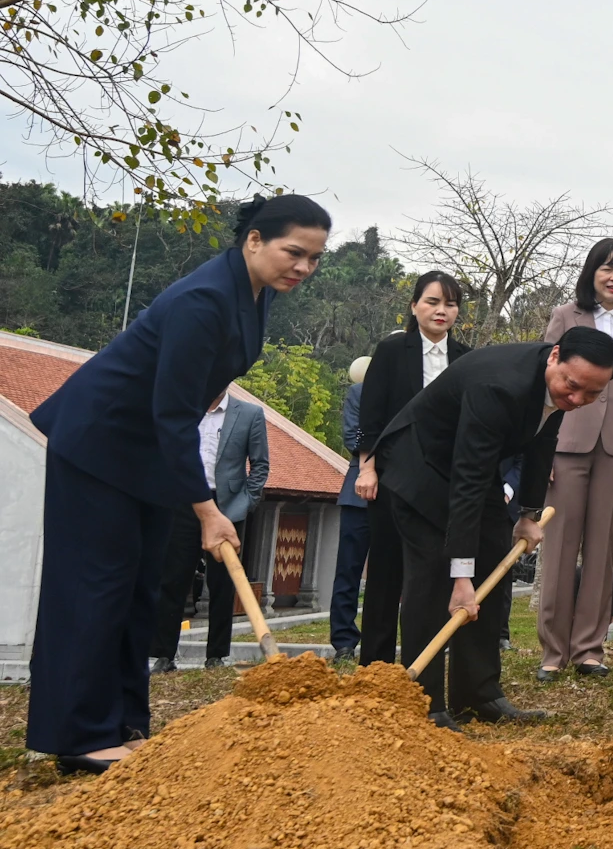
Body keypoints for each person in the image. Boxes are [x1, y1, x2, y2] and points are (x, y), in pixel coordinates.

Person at [28, 193, 330, 773]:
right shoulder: (204, 299)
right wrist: (207, 508)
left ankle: (122, 723)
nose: (304, 268)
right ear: (254, 240)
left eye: (314, 258)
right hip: (101, 442)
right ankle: (80, 736)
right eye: (295, 252)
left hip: (143, 453)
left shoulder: (256, 293)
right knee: (97, 585)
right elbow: (173, 413)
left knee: (139, 586)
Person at [377, 327, 613, 728]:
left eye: (592, 395)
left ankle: (479, 695)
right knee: (435, 578)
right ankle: (426, 703)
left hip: (474, 467)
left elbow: (543, 442)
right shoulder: (498, 385)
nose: (577, 400)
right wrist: (461, 576)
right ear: (555, 356)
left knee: (494, 566)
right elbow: (467, 481)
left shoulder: (561, 386)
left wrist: (528, 512)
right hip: (420, 465)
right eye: (572, 386)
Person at [537, 239, 613, 680]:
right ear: (592, 273)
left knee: (602, 545)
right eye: (608, 268)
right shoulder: (565, 316)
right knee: (560, 544)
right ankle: (553, 651)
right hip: (566, 440)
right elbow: (544, 381)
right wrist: (539, 448)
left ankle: (589, 647)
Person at [353, 272, 469, 666]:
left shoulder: (466, 357)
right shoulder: (391, 351)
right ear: (414, 305)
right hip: (391, 477)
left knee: (432, 574)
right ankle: (375, 665)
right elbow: (370, 415)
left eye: (450, 304)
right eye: (433, 302)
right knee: (385, 571)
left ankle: (424, 662)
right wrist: (366, 469)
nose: (441, 311)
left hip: (443, 481)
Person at [148, 392, 270, 671]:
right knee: (173, 578)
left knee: (223, 584)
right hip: (184, 503)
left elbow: (260, 465)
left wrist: (246, 503)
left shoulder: (250, 414)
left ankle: (216, 655)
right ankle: (164, 654)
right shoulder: (184, 409)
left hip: (228, 507)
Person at [328, 355, 373, 664]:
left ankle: (376, 641)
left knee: (389, 576)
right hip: (358, 494)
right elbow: (353, 438)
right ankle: (343, 642)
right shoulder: (359, 393)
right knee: (348, 571)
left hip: (401, 493)